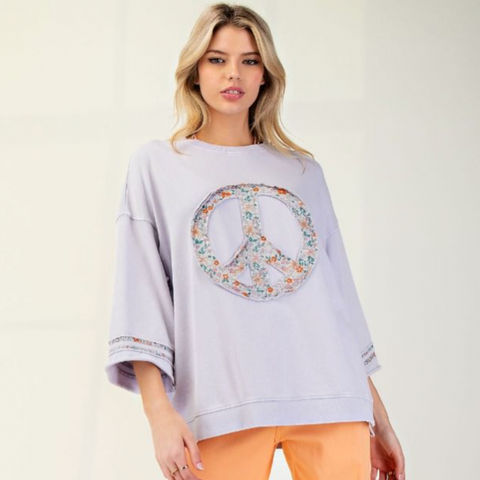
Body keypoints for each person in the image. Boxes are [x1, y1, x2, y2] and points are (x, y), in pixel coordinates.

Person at [105, 3, 406, 480]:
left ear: (265, 75)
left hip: (330, 397)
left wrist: (380, 421)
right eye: (217, 59)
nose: (234, 74)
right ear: (195, 71)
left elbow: (338, 301)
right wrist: (158, 414)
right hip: (220, 402)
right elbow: (141, 292)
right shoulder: (158, 165)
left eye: (249, 61)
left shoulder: (303, 172)